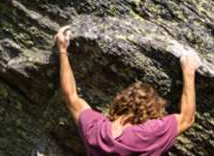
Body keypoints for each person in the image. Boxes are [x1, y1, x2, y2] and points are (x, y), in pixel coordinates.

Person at [55, 25, 197, 156]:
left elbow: (71, 96)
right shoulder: (149, 134)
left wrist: (62, 50)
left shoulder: (95, 131)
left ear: (119, 102)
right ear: (151, 111)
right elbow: (187, 118)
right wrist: (188, 70)